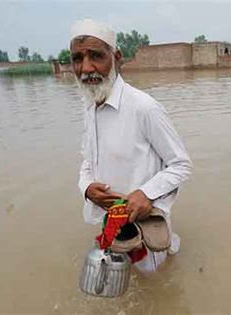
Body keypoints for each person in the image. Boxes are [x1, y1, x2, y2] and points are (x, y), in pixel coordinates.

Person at [71, 19, 192, 272]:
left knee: (154, 280)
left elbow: (181, 165)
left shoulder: (143, 107)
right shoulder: (89, 104)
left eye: (96, 56)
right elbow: (87, 159)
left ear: (116, 57)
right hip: (112, 221)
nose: (86, 68)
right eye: (77, 58)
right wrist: (87, 188)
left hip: (145, 225)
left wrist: (146, 193)